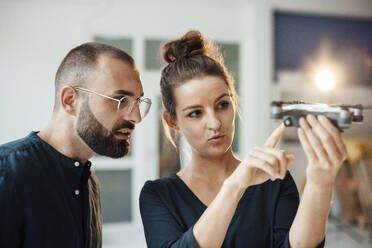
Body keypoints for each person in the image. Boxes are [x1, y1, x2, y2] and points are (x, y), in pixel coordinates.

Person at [139, 30, 346, 248]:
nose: (215, 123)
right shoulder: (158, 195)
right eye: (195, 113)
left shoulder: (273, 180)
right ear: (172, 122)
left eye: (222, 105)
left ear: (234, 102)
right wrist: (236, 184)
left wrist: (320, 182)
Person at [0, 42, 152, 248]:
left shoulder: (90, 184)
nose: (136, 117)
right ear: (70, 100)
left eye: (138, 102)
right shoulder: (8, 173)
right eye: (121, 100)